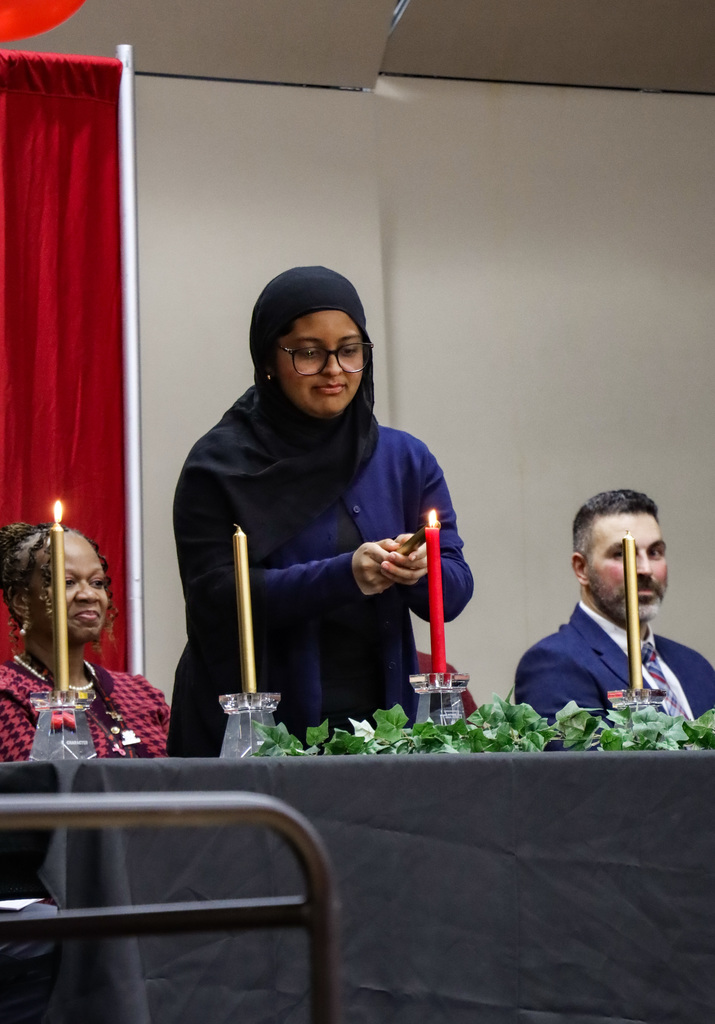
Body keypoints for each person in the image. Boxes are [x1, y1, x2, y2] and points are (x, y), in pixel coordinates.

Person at [170, 265, 473, 756]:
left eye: (349, 350)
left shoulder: (404, 460)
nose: (334, 369)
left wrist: (421, 569)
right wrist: (343, 576)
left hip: (382, 735)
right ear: (269, 358)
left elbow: (454, 592)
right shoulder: (220, 467)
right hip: (254, 737)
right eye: (309, 353)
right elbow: (215, 599)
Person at [515, 489, 715, 723]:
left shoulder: (694, 665)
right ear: (582, 568)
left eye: (654, 552)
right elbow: (586, 749)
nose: (645, 569)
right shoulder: (554, 664)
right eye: (621, 554)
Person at [0, 522, 170, 760]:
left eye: (97, 583)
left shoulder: (141, 694)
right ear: (21, 601)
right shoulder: (8, 693)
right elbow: (41, 780)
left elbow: (182, 774)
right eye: (67, 582)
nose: (89, 595)